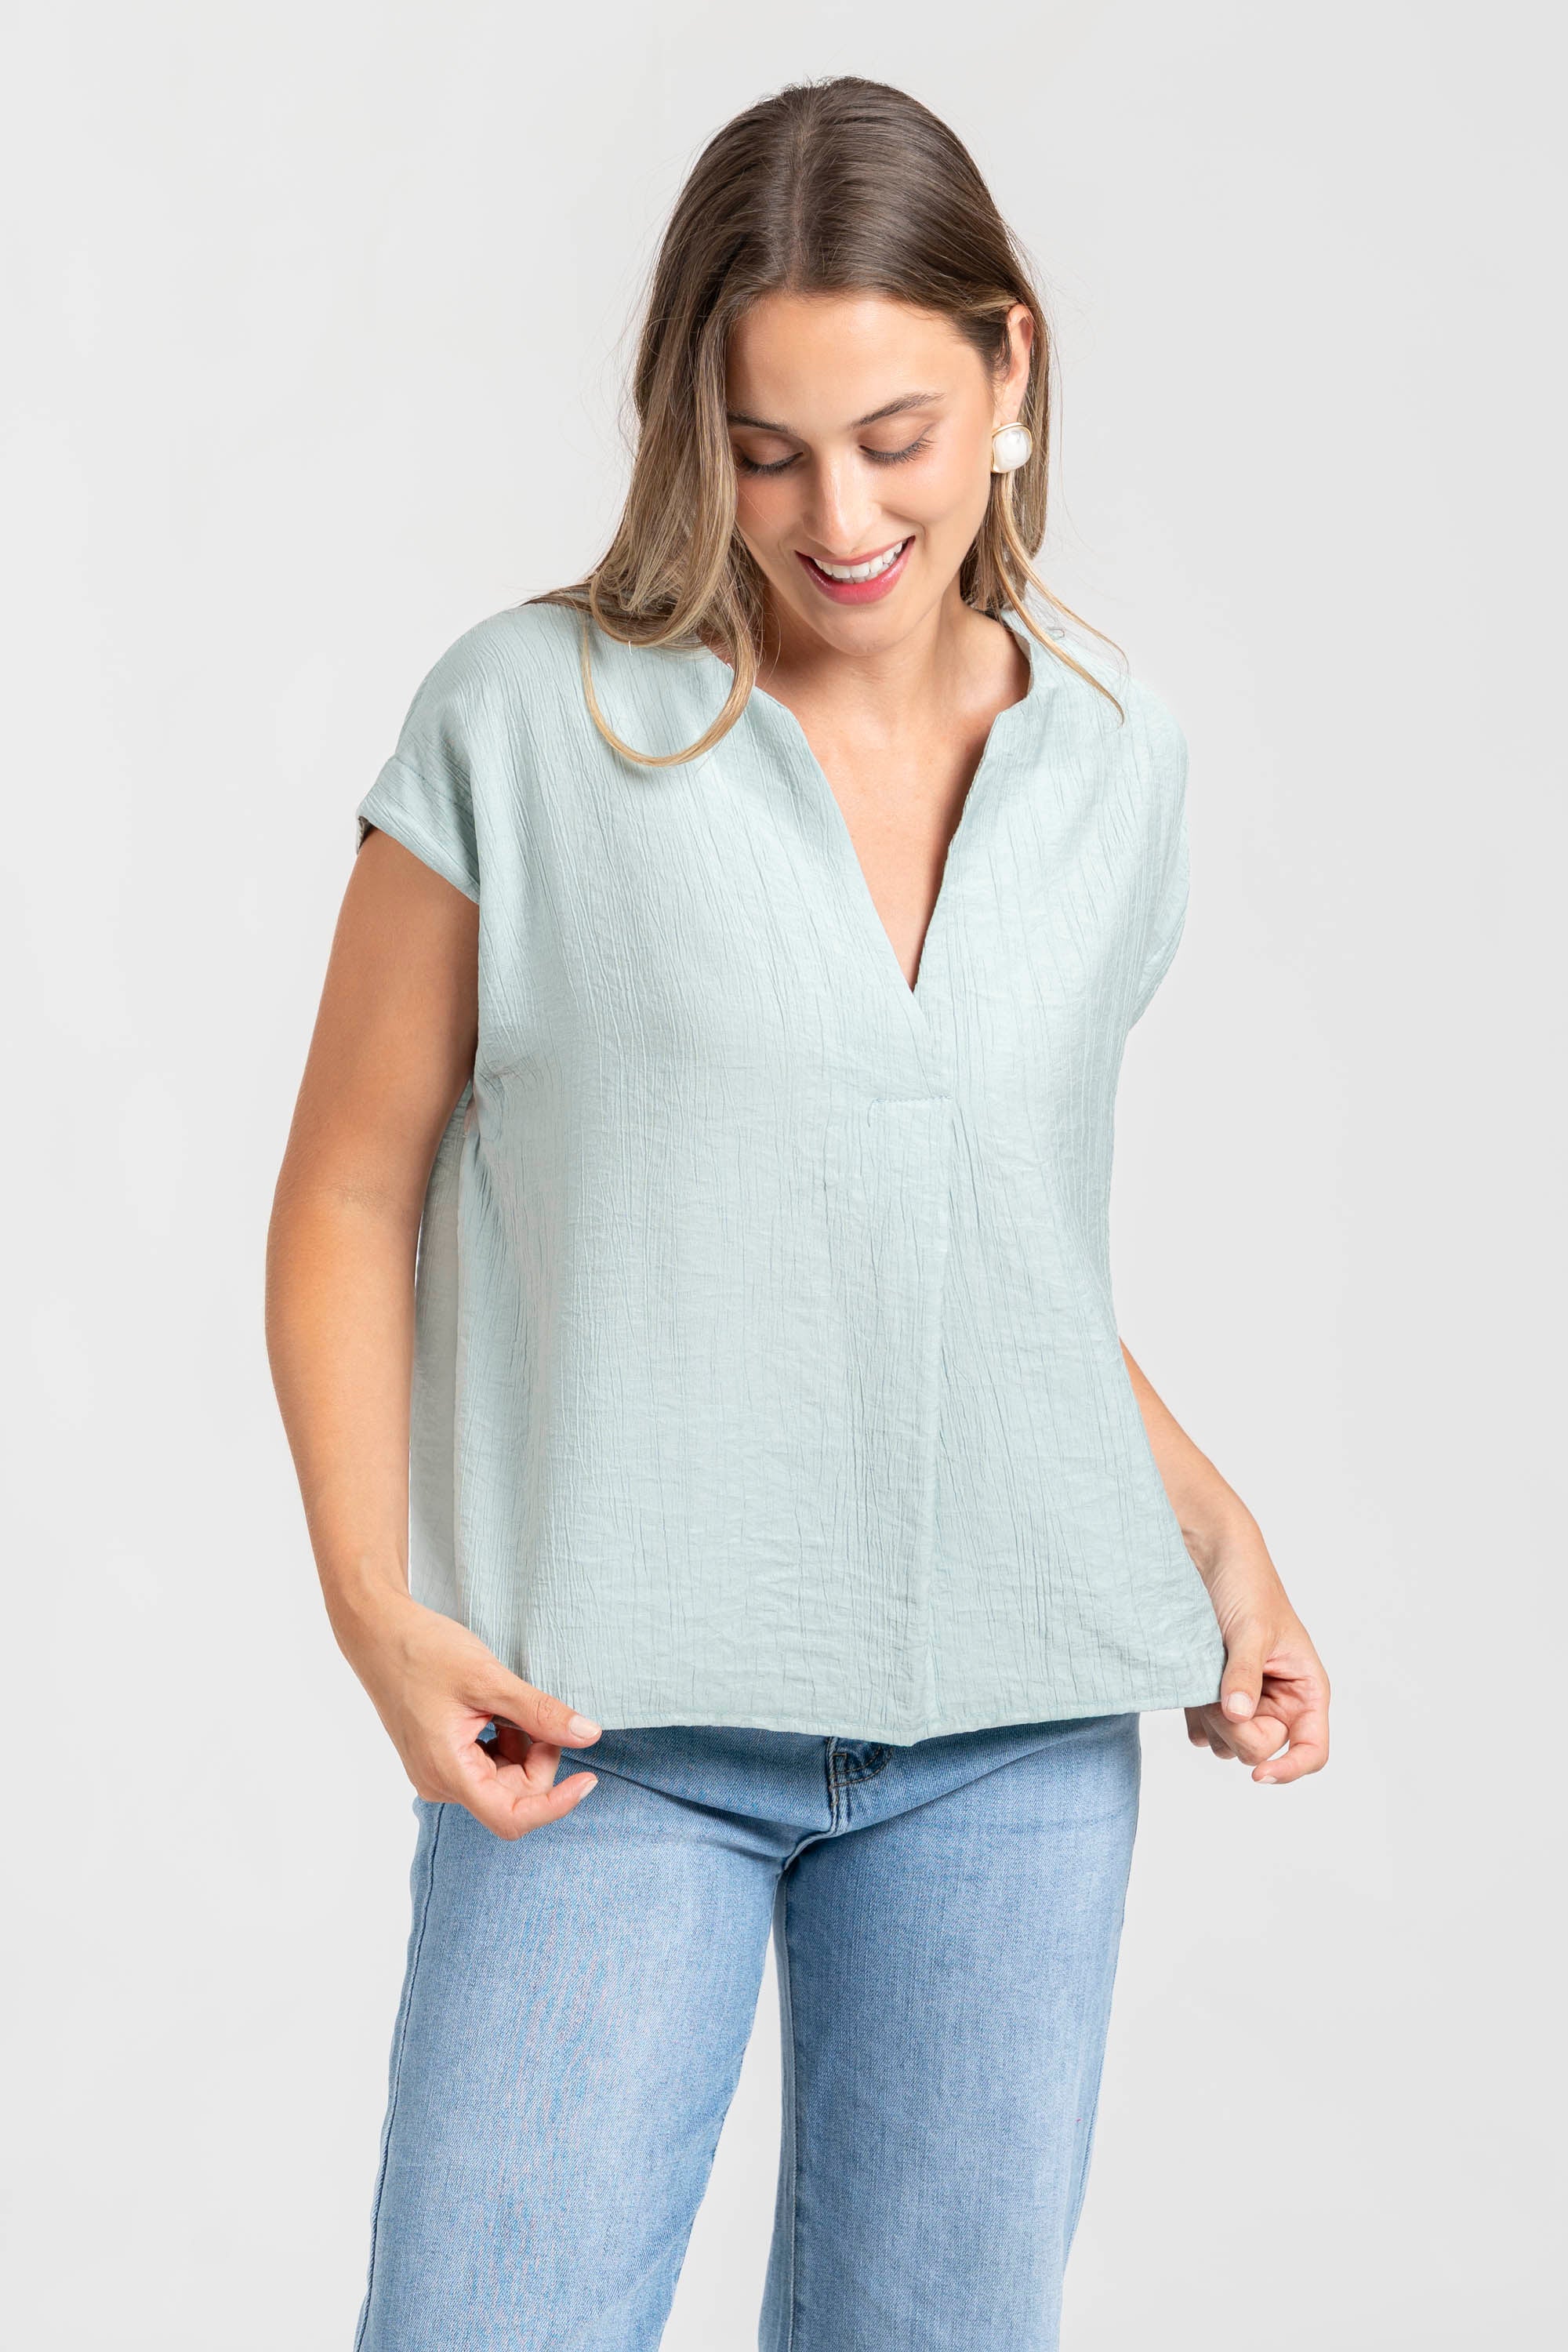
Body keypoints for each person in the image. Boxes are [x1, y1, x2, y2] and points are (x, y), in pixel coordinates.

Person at [265, 72, 1330, 2352]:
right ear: (693, 427)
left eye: (895, 437)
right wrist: (373, 1607)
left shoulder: (1115, 754)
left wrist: (1217, 1529)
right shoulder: (530, 721)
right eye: (766, 451)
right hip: (602, 1728)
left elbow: (966, 1238)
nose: (838, 518)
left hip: (1017, 1742)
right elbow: (348, 1185)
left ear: (1012, 370)